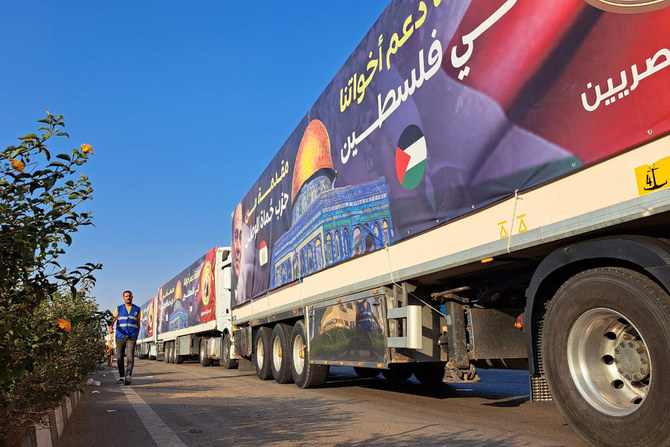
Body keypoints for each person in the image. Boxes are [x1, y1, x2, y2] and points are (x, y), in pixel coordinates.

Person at [109, 290, 141, 385]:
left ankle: (128, 376)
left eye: (129, 296)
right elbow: (113, 320)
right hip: (120, 336)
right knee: (119, 357)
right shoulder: (118, 308)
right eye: (126, 296)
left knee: (130, 357)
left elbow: (138, 323)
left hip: (132, 336)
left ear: (132, 297)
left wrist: (136, 333)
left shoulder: (137, 309)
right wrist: (110, 327)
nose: (128, 298)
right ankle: (121, 376)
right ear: (123, 298)